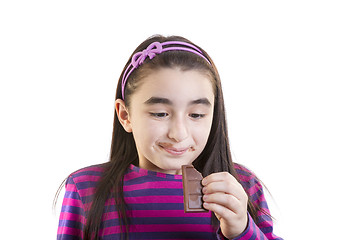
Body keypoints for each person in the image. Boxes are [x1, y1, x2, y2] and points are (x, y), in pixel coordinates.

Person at [57, 35, 282, 240]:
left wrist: (242, 230)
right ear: (125, 115)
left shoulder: (241, 186)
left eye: (196, 115)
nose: (179, 133)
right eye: (160, 114)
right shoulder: (85, 188)